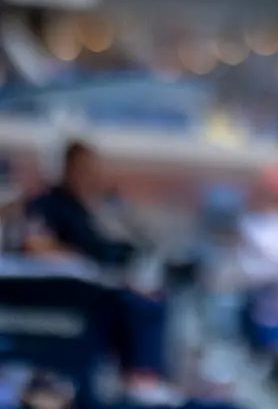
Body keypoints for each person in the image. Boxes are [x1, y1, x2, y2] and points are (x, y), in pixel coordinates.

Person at [22, 142, 172, 401]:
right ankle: (139, 377)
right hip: (63, 291)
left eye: (92, 169)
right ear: (67, 168)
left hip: (94, 287)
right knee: (138, 306)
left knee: (150, 300)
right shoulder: (47, 203)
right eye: (83, 168)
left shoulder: (89, 207)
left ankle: (141, 378)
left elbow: (125, 240)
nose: (89, 175)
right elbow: (37, 245)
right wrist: (77, 260)